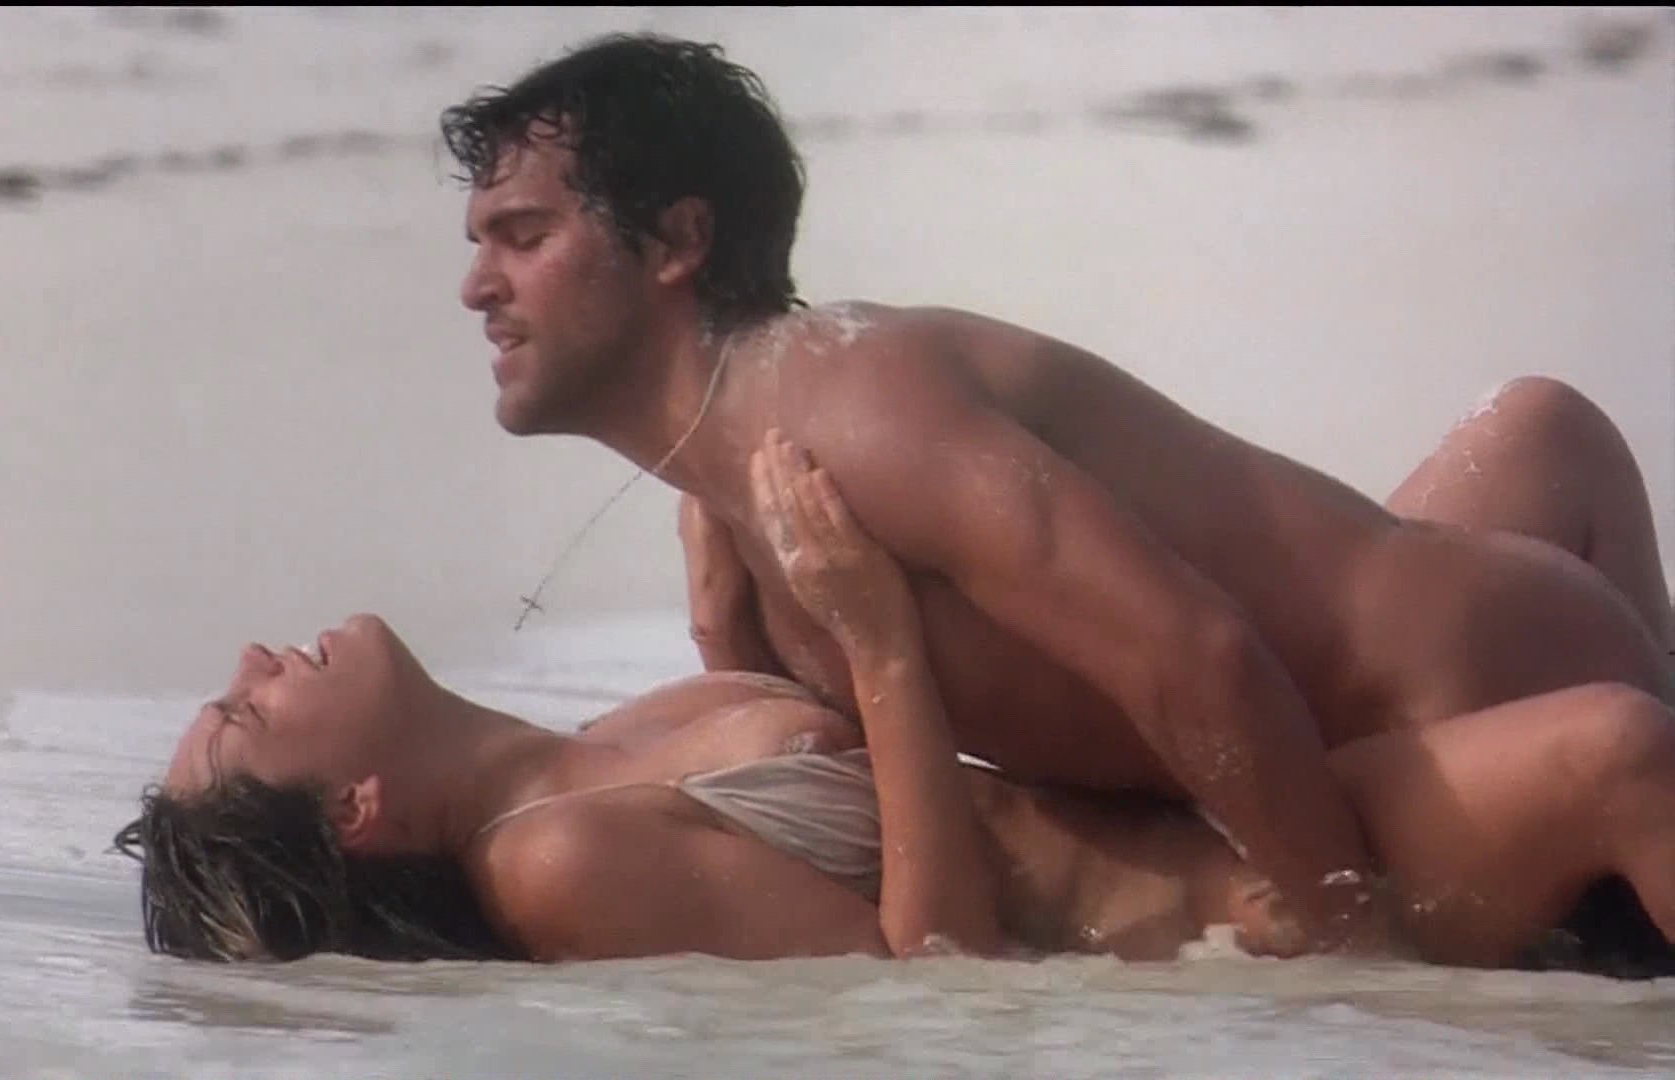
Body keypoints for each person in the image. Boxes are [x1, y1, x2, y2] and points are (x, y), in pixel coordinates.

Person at [439, 32, 1674, 950]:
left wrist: (1355, 957)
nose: (477, 288)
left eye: (524, 238)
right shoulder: (735, 500)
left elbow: (1197, 656)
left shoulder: (850, 403)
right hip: (1341, 739)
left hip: (1450, 705)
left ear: (676, 244)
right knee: (1537, 428)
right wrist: (732, 635)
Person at [111, 436, 1675, 976]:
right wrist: (882, 644)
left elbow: (805, 788)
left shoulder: (604, 742)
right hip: (1223, 884)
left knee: (1548, 446)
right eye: (244, 716)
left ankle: (1623, 946)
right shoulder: (555, 860)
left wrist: (732, 579)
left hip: (1228, 767)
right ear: (355, 814)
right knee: (1621, 750)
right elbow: (930, 975)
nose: (253, 659)